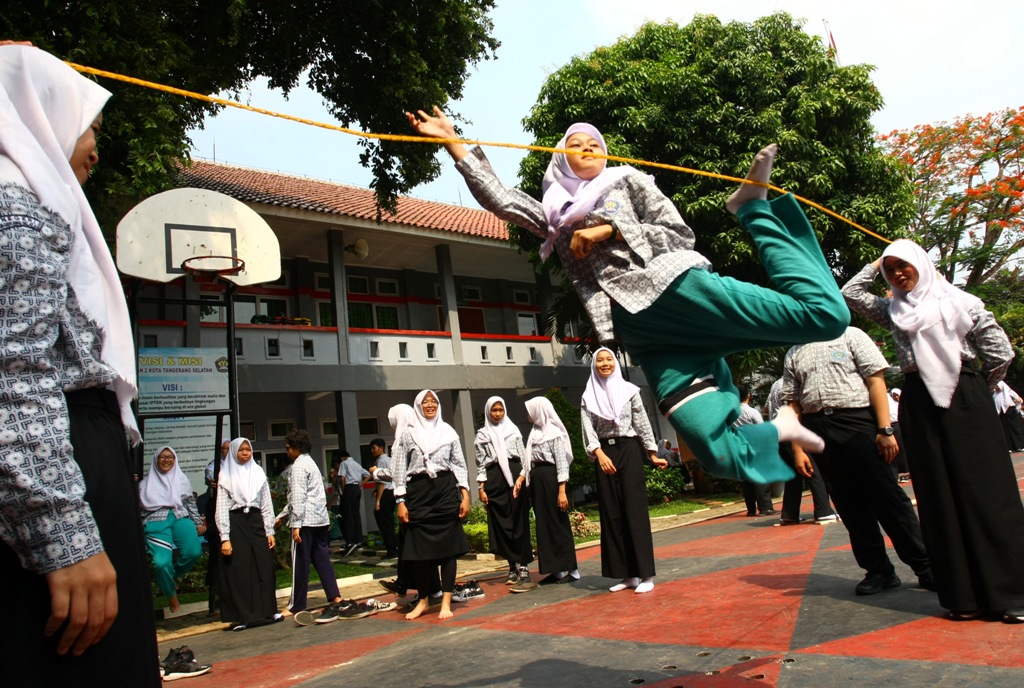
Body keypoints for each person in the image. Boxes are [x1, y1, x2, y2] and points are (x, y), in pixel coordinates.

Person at [407, 108, 849, 488]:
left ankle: (752, 207)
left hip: (676, 289)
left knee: (827, 317)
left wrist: (610, 228)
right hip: (645, 335)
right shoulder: (553, 215)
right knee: (712, 451)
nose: (587, 147)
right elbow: (502, 200)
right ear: (561, 158)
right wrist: (452, 141)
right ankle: (779, 429)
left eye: (594, 142)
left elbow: (678, 233)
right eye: (575, 143)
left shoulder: (629, 182)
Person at [0, 44, 159, 685]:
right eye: (89, 122)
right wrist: (63, 531)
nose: (95, 143)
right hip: (61, 463)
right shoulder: (17, 205)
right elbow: (13, 369)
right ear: (41, 112)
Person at [842, 239, 1024, 621]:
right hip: (919, 402)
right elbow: (851, 293)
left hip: (967, 396)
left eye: (903, 265)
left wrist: (976, 390)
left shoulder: (964, 303)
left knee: (988, 492)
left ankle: (1010, 596)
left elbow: (1000, 353)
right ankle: (964, 597)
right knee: (938, 493)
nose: (897, 274)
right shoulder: (893, 310)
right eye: (891, 270)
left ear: (922, 265)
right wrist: (877, 262)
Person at [782, 326, 935, 596]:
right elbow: (793, 404)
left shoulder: (851, 335)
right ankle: (879, 571)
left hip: (857, 421)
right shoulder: (795, 351)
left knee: (888, 498)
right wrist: (797, 449)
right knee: (849, 504)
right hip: (818, 429)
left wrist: (884, 429)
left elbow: (876, 381)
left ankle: (926, 567)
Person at [581, 347, 667, 593]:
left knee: (634, 510)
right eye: (600, 360)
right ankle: (627, 575)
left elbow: (641, 422)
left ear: (616, 363)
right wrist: (598, 453)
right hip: (604, 455)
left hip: (628, 450)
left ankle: (646, 575)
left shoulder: (630, 391)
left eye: (609, 359)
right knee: (612, 513)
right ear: (594, 366)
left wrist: (652, 453)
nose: (605, 363)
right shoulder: (588, 396)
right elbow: (587, 428)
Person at [392, 391, 471, 620]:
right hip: (418, 494)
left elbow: (459, 465)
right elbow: (398, 469)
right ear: (418, 406)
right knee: (420, 553)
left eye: (433, 402)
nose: (429, 405)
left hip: (445, 492)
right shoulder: (408, 435)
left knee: (448, 552)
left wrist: (464, 495)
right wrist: (400, 501)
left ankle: (446, 600)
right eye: (425, 402)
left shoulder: (448, 432)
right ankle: (424, 601)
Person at [275, 429, 345, 623]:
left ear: (297, 447)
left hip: (304, 522)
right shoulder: (311, 463)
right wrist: (281, 515)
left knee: (300, 564)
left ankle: (296, 604)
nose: (287, 452)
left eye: (289, 448)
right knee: (322, 559)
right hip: (320, 520)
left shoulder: (297, 466)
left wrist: (295, 524)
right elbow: (313, 494)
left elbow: (298, 497)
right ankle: (335, 596)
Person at [215, 437, 282, 631]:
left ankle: (269, 609)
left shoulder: (258, 472)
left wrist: (269, 530)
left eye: (248, 450)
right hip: (236, 521)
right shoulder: (225, 475)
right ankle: (242, 616)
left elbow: (266, 504)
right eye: (240, 450)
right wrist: (225, 537)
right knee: (240, 569)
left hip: (256, 520)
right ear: (234, 452)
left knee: (264, 564)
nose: (245, 453)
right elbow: (221, 508)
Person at [515, 397, 579, 585]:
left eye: (530, 410)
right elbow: (529, 460)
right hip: (537, 480)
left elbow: (561, 462)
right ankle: (555, 569)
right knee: (543, 524)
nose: (527, 414)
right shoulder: (535, 433)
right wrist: (522, 478)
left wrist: (562, 490)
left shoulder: (554, 433)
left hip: (551, 479)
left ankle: (572, 569)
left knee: (558, 522)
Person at [475, 396, 536, 592]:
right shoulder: (482, 435)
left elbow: (524, 456)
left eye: (500, 410)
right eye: (494, 410)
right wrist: (481, 489)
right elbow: (481, 464)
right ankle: (512, 566)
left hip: (515, 476)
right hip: (494, 480)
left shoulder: (513, 431)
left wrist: (521, 478)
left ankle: (524, 566)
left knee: (519, 522)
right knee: (502, 524)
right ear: (488, 412)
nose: (498, 413)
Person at [139, 446, 205, 613]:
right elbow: (138, 510)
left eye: (170, 457)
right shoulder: (145, 484)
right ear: (155, 460)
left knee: (193, 552)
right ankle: (170, 593)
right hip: (156, 522)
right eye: (162, 457)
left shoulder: (181, 479)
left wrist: (197, 522)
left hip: (179, 517)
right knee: (161, 563)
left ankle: (170, 577)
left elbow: (190, 502)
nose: (166, 460)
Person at [765, 378, 835, 524]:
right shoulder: (793, 385)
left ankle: (789, 514)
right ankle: (823, 511)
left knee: (793, 476)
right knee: (812, 469)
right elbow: (797, 409)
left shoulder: (775, 385)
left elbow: (766, 408)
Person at [734, 385, 775, 517]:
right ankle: (765, 507)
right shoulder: (752, 412)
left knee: (747, 480)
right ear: (749, 395)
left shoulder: (732, 413)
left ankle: (751, 509)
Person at [203, 438, 231, 613]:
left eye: (230, 448)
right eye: (225, 449)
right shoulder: (214, 465)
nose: (227, 452)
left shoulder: (239, 465)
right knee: (217, 557)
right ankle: (216, 599)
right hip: (217, 511)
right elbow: (211, 476)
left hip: (233, 512)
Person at [337, 449, 370, 557]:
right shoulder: (356, 464)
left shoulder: (344, 463)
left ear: (342, 457)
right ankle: (359, 539)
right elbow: (369, 474)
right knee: (356, 513)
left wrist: (343, 490)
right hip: (357, 489)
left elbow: (342, 478)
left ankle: (350, 541)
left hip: (349, 489)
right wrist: (361, 484)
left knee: (348, 515)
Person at [369, 438, 398, 558]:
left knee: (384, 523)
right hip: (392, 493)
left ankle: (391, 550)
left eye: (374, 448)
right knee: (389, 522)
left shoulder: (380, 461)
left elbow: (382, 482)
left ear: (381, 448)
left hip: (386, 494)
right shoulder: (389, 459)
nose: (372, 451)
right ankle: (393, 548)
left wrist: (378, 501)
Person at [887, 389, 911, 482]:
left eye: (897, 395)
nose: (896, 397)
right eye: (895, 395)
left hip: (897, 424)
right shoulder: (890, 399)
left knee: (900, 448)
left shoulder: (899, 402)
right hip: (890, 425)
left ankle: (904, 471)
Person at [994, 380, 1024, 452]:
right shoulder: (995, 394)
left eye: (998, 386)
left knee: (1015, 429)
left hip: (1011, 412)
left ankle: (1018, 446)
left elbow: (1019, 400)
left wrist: (1018, 400)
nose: (997, 388)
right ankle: (1009, 447)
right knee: (1005, 430)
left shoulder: (1009, 392)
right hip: (1002, 414)